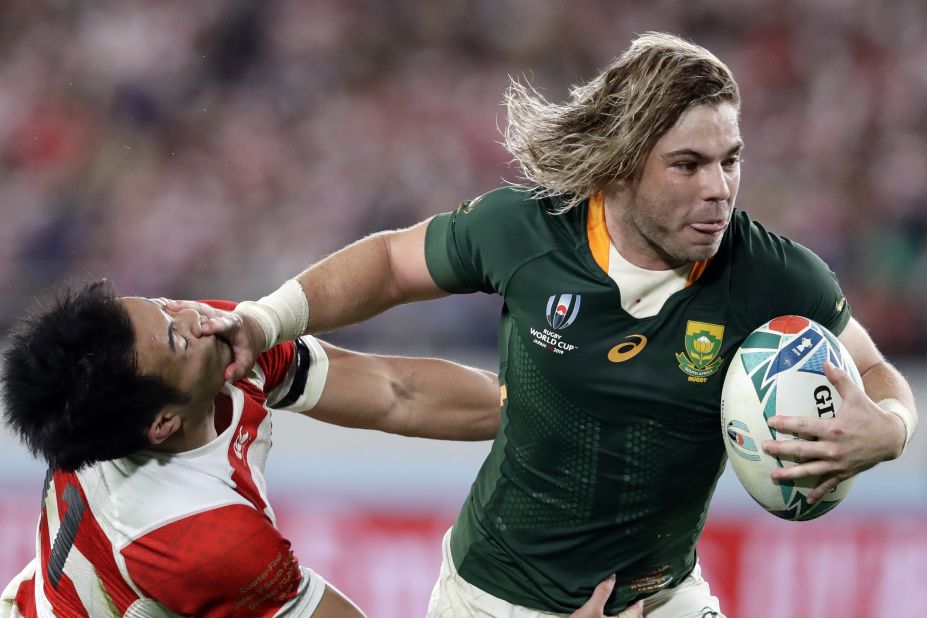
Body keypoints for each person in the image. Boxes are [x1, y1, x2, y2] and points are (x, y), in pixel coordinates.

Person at [185, 32, 917, 617]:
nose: (718, 190)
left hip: (658, 599)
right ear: (623, 166)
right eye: (687, 165)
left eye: (731, 161)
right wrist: (268, 318)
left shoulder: (771, 273)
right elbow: (389, 265)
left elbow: (877, 374)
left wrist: (888, 430)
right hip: (498, 600)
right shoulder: (530, 231)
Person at [0, 279, 504, 617]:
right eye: (176, 340)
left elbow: (396, 392)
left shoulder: (201, 344)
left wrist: (539, 409)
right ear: (163, 424)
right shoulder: (194, 533)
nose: (193, 318)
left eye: (161, 306)